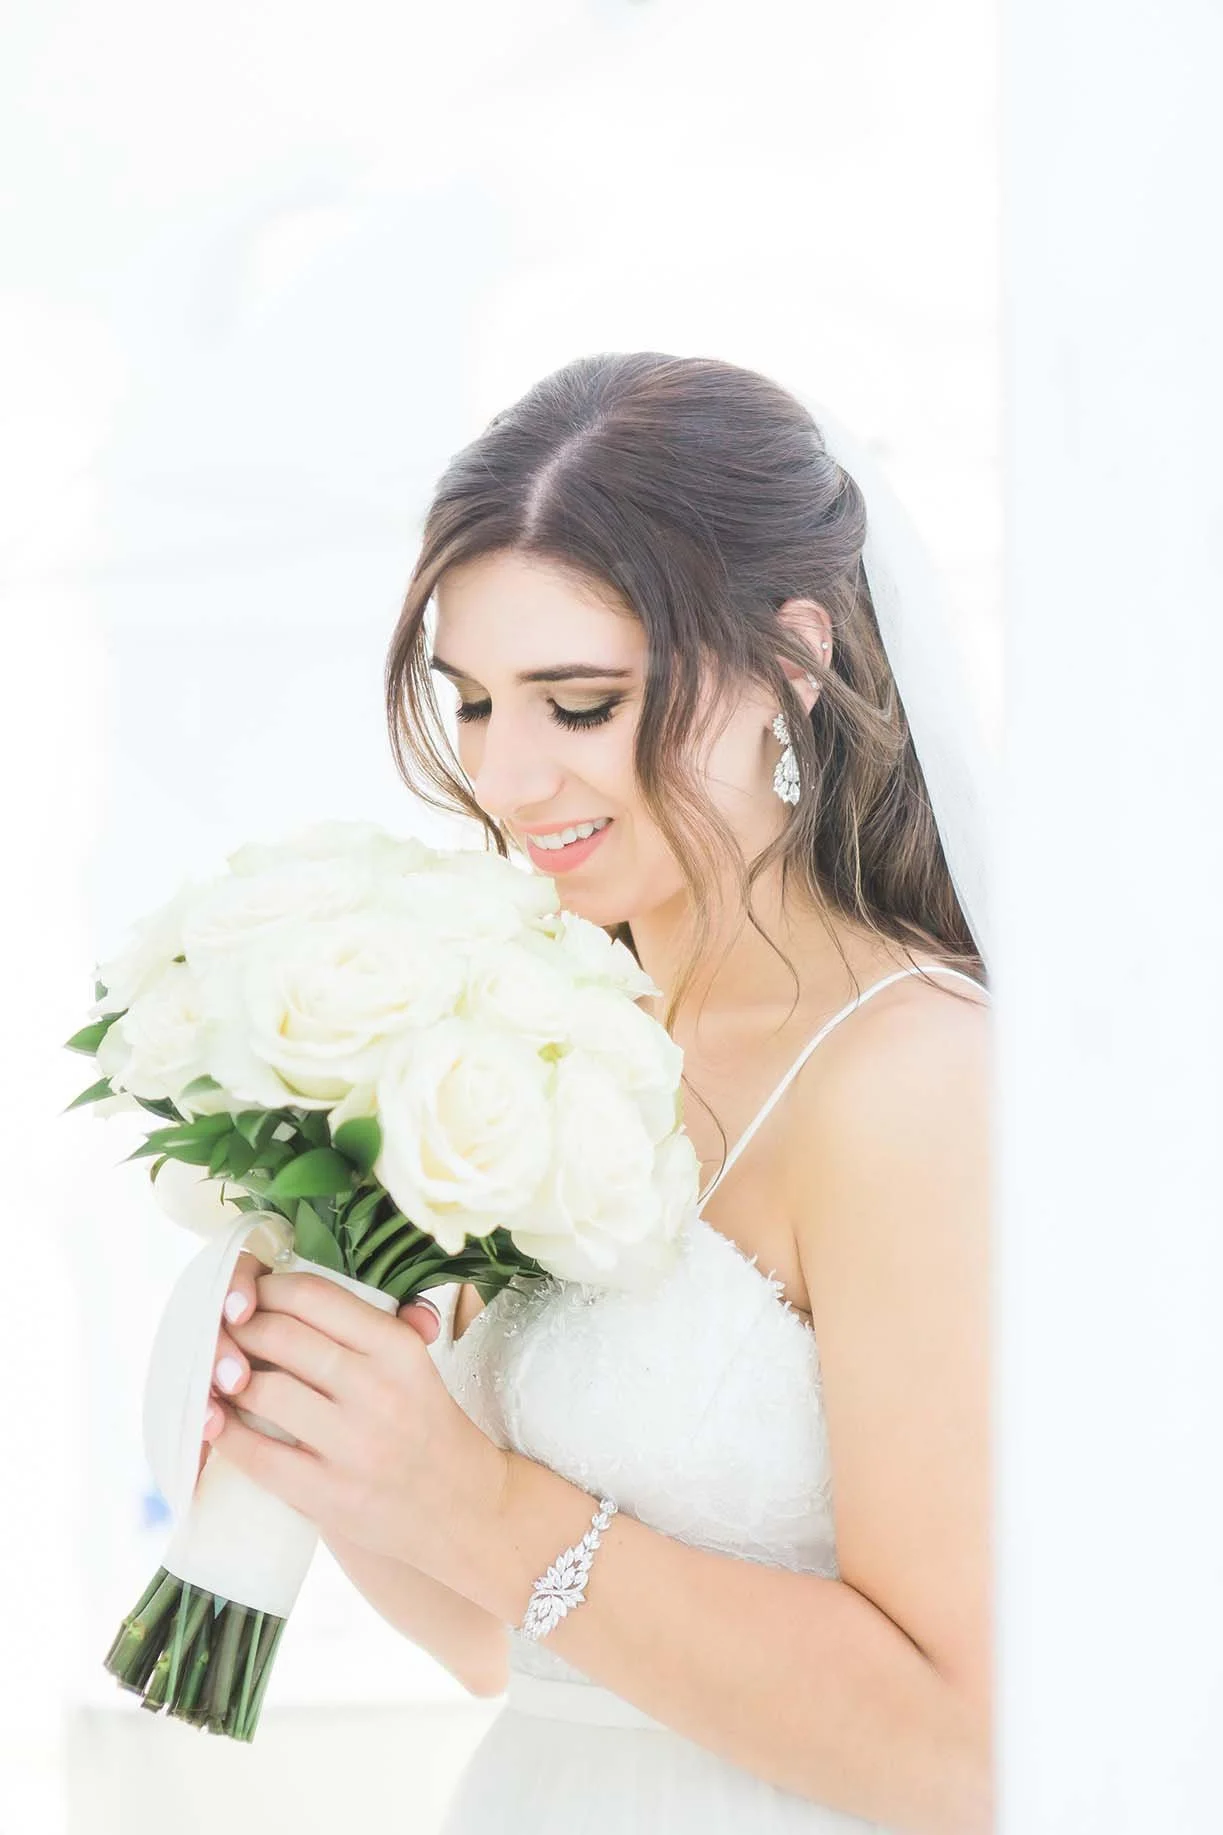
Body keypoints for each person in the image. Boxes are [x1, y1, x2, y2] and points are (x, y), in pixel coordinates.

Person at [202, 353, 992, 1832]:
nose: (505, 778)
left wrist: (486, 1508)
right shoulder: (545, 1036)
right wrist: (319, 1433)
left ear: (792, 661)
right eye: (475, 703)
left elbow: (975, 1749)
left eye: (578, 704)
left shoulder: (914, 1087)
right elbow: (513, 1648)